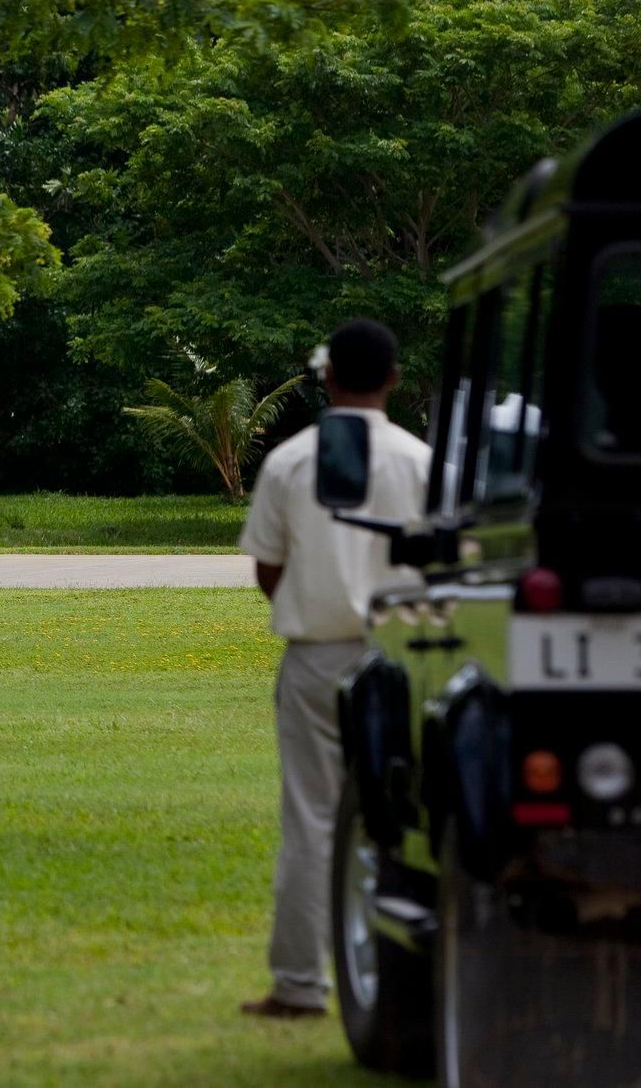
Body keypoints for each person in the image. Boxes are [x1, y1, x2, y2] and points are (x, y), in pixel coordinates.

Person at [236, 319, 431, 1019]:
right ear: (394, 378)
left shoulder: (291, 461)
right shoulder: (422, 462)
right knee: (408, 818)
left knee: (314, 819)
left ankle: (298, 983)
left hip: (318, 660)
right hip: (406, 660)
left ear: (327, 377)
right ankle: (403, 971)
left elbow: (268, 567)